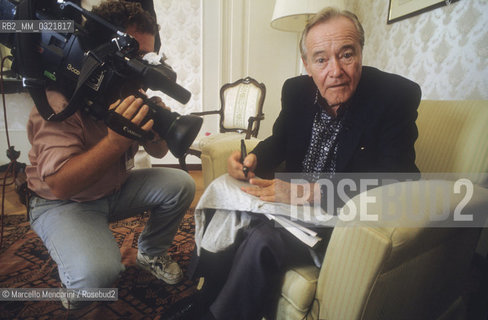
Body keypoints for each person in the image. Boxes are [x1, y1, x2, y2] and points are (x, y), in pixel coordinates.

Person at [188, 7, 421, 320]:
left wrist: (310, 193)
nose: (335, 70)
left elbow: (400, 179)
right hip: (289, 207)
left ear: (361, 53)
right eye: (321, 59)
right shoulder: (296, 91)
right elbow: (279, 141)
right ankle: (203, 299)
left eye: (347, 54)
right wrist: (254, 159)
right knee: (227, 203)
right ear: (307, 64)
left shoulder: (395, 96)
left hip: (341, 218)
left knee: (262, 238)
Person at [25, 0, 195, 309]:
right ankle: (74, 283)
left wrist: (157, 133)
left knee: (180, 184)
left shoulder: (128, 90)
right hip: (62, 202)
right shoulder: (60, 100)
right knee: (95, 277)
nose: (143, 68)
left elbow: (158, 152)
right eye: (135, 56)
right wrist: (116, 141)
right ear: (101, 50)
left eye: (149, 56)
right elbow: (61, 184)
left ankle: (150, 253)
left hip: (112, 190)